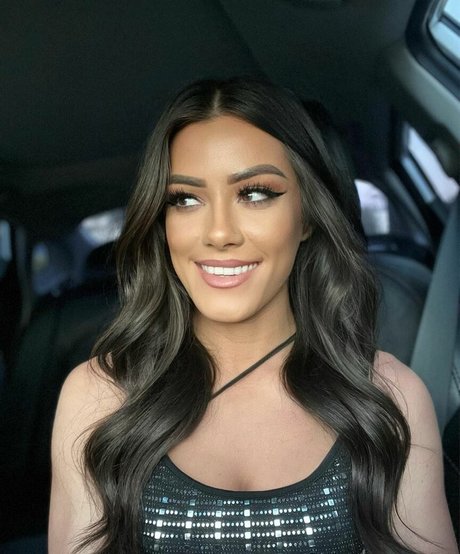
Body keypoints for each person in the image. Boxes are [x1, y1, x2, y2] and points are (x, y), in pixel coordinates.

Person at [48, 78, 458, 554]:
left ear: (307, 216)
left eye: (256, 193)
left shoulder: (388, 397)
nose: (219, 233)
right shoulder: (100, 397)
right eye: (185, 199)